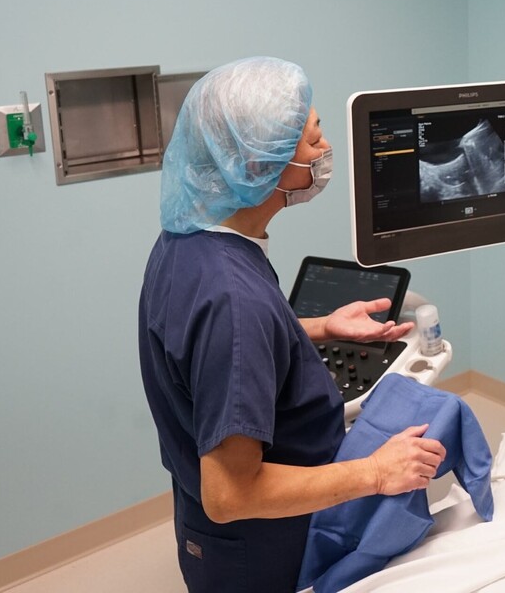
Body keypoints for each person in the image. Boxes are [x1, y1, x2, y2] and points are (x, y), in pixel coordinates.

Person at [138, 57, 446, 593]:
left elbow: (209, 354)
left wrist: (320, 326)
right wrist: (377, 472)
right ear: (259, 165)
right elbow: (231, 494)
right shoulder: (234, 299)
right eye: (311, 139)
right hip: (261, 549)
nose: (325, 152)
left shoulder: (186, 243)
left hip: (211, 535)